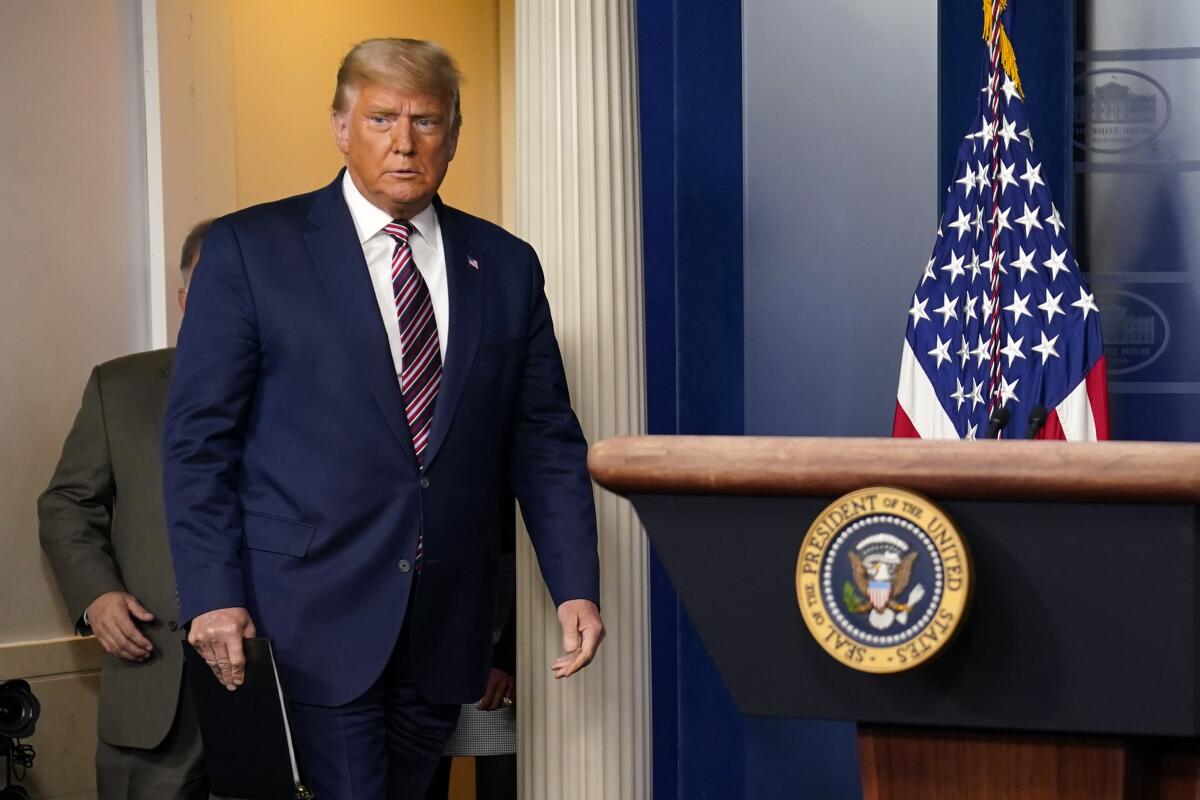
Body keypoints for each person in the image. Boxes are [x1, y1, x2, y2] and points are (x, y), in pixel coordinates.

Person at [163, 38, 604, 797]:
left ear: (454, 134)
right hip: (305, 616)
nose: (404, 142)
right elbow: (199, 443)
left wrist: (575, 583)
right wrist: (212, 594)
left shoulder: (505, 264)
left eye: (426, 121)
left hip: (443, 628)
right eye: (381, 118)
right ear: (340, 127)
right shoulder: (251, 250)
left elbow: (544, 438)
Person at [38, 220, 214, 800]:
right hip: (150, 680)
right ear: (185, 296)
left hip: (277, 686)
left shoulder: (311, 393)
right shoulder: (120, 385)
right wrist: (97, 595)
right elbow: (67, 503)